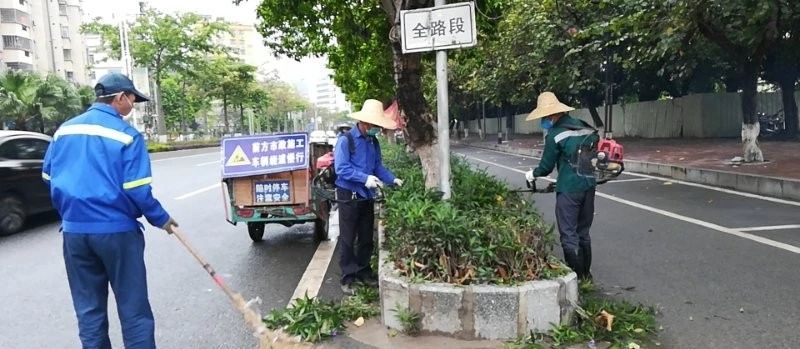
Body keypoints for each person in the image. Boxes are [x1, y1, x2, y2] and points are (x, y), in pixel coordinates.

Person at [42, 72, 178, 349]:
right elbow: (137, 190)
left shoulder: (64, 131)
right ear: (119, 98)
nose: (133, 107)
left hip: (75, 233)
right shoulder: (127, 135)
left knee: (89, 311)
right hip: (117, 233)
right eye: (132, 100)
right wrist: (161, 219)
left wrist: (72, 211)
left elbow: (48, 177)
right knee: (134, 310)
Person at [525, 92, 598, 281]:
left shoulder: (555, 135)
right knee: (583, 232)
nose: (543, 120)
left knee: (568, 234)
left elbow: (546, 166)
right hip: (589, 186)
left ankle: (576, 278)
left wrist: (532, 174)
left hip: (569, 191)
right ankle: (586, 275)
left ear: (550, 115)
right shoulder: (584, 127)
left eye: (543, 117)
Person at [334, 99, 402, 294]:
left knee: (365, 236)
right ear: (365, 122)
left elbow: (378, 166)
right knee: (348, 237)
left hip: (366, 195)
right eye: (375, 125)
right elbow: (341, 168)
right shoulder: (346, 141)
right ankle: (348, 277)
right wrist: (364, 178)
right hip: (349, 194)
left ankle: (364, 271)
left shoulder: (373, 142)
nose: (377, 129)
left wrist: (392, 179)